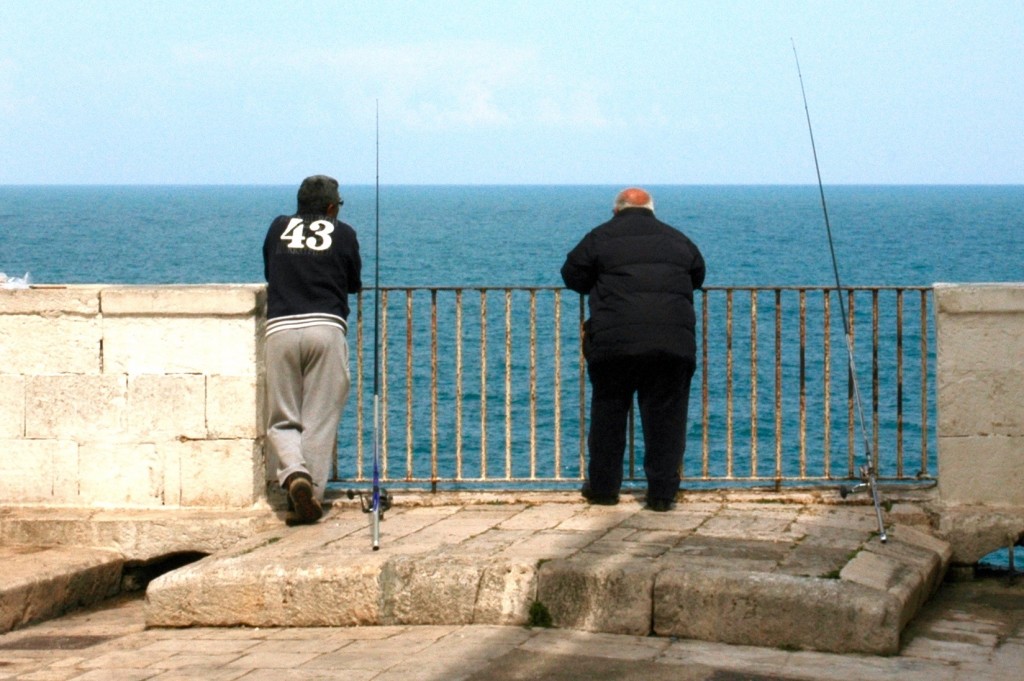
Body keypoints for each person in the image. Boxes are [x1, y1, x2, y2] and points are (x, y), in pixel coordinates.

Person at [561, 187, 705, 512]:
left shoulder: (600, 237)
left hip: (615, 345)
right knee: (667, 421)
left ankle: (603, 490)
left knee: (609, 416)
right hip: (672, 345)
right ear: (653, 210)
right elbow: (697, 276)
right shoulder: (679, 240)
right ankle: (662, 495)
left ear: (616, 211)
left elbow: (571, 276)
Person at [263, 175, 362, 525]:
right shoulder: (344, 233)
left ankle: (293, 474)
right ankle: (311, 494)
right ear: (332, 208)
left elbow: (269, 271)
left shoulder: (278, 228)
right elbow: (353, 283)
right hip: (325, 328)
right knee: (319, 416)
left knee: (282, 416)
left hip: (280, 330)